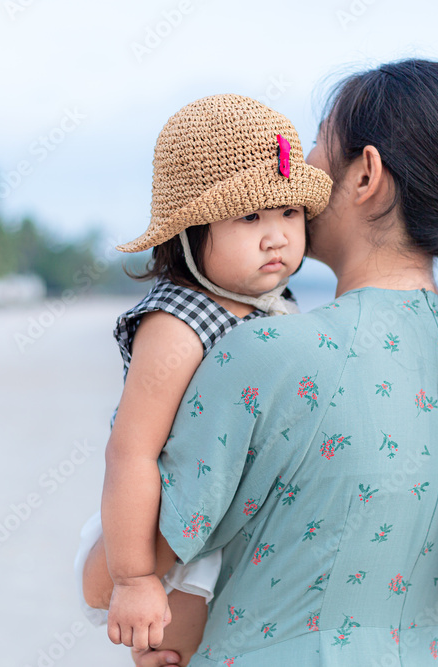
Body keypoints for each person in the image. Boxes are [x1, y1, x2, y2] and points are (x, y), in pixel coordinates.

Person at [83, 59, 438, 666]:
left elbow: (111, 580)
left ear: (365, 176)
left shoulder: (266, 355)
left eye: (315, 143)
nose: (297, 168)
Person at [74, 94, 332, 651]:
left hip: (229, 521)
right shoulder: (179, 322)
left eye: (290, 213)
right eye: (249, 217)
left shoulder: (271, 303)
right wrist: (135, 578)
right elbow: (131, 451)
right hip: (160, 530)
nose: (278, 237)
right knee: (178, 646)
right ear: (188, 229)